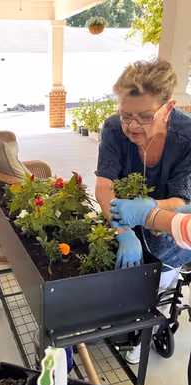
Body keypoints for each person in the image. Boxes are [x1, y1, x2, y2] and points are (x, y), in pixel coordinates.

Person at [95, 58, 191, 364]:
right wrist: (124, 232)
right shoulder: (113, 128)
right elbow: (104, 187)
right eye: (126, 116)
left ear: (168, 107)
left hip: (173, 230)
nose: (132, 126)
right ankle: (117, 311)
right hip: (122, 215)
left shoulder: (187, 138)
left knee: (160, 254)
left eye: (145, 117)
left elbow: (182, 204)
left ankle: (148, 323)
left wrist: (148, 211)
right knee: (102, 247)